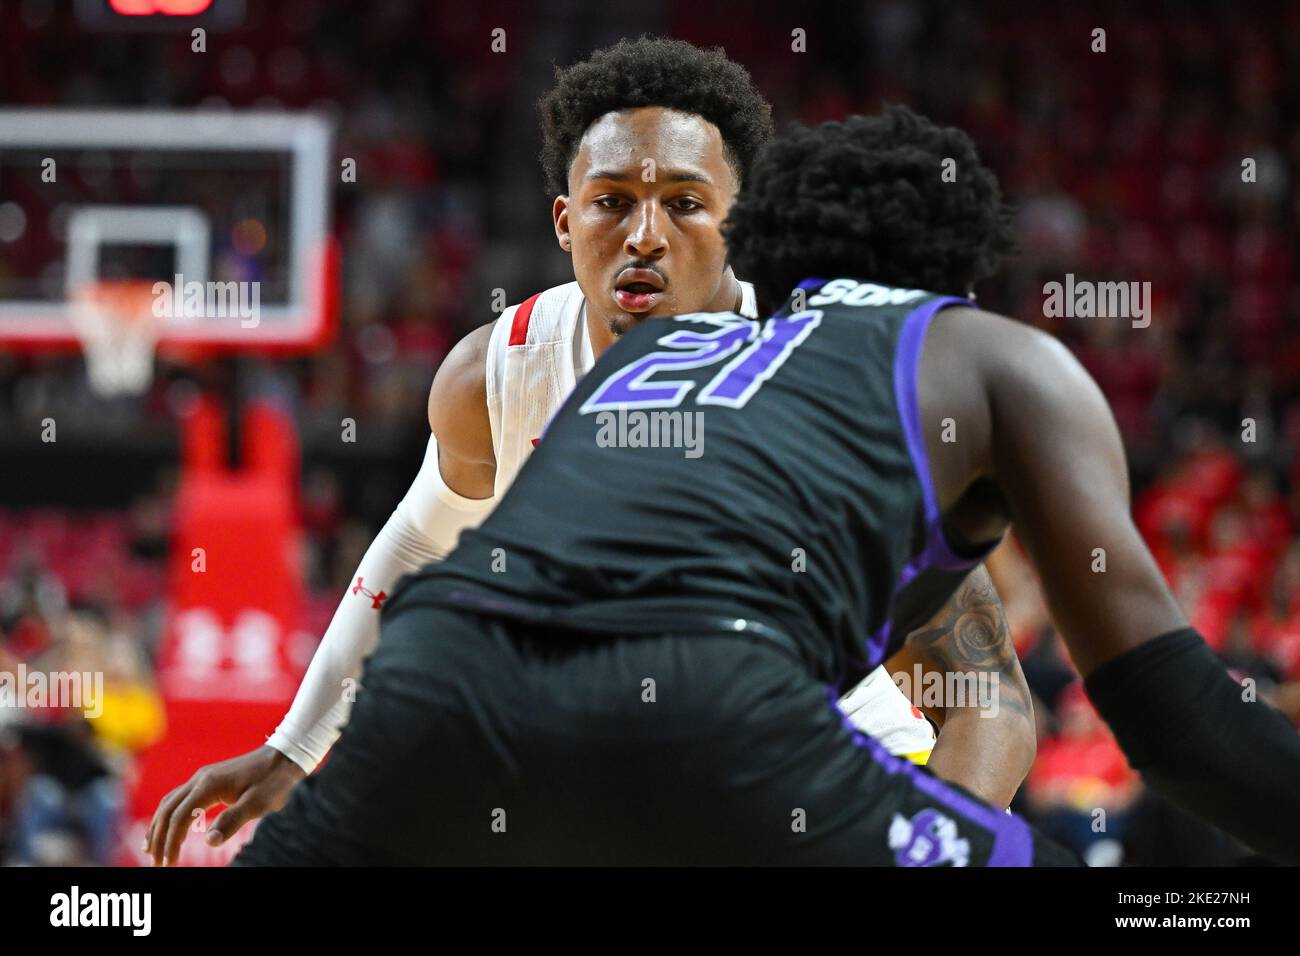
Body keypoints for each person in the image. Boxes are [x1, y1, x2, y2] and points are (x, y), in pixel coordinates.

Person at [231, 105, 1190, 866]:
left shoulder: (811, 361)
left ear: (741, 225)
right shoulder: (499, 366)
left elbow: (984, 691)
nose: (644, 235)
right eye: (611, 201)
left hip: (810, 755)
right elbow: (408, 547)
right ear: (566, 220)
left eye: (686, 203)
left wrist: (938, 840)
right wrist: (297, 745)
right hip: (590, 760)